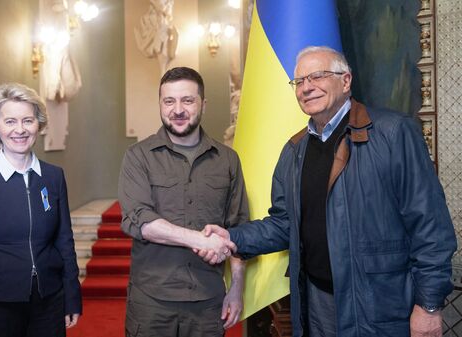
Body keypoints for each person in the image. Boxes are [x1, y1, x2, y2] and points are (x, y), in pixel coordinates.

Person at [199, 46, 456, 337]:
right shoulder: (294, 151)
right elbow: (285, 224)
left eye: (318, 76)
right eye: (300, 81)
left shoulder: (394, 134)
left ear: (345, 81)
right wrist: (232, 237)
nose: (307, 88)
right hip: (316, 303)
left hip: (381, 305)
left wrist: (430, 304)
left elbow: (430, 227)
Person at [118, 66, 249, 337]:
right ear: (160, 105)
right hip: (152, 303)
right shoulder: (138, 156)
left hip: (208, 301)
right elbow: (140, 220)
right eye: (169, 101)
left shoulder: (227, 160)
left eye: (187, 100)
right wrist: (199, 240)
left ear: (203, 104)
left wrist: (236, 289)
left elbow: (239, 228)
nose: (178, 110)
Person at [0, 83, 82, 337]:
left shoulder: (54, 177)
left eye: (28, 120)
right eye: (10, 121)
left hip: (50, 301)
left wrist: (71, 295)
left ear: (39, 125)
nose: (20, 130)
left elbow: (65, 241)